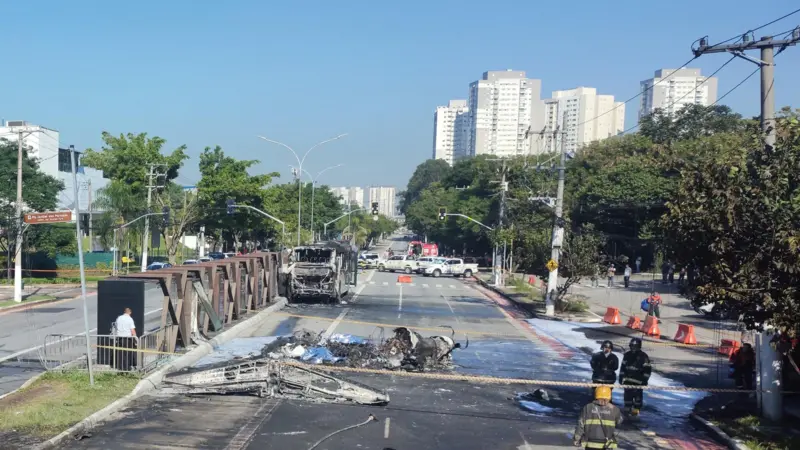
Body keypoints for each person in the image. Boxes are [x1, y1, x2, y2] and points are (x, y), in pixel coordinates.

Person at [619, 338, 651, 416]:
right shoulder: (627, 355)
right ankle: (627, 413)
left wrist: (644, 380)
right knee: (627, 398)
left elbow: (647, 370)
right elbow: (623, 367)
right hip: (627, 382)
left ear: (639, 347)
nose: (633, 348)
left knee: (638, 399)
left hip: (638, 383)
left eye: (635, 346)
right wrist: (621, 377)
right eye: (632, 346)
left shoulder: (644, 357)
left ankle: (635, 414)